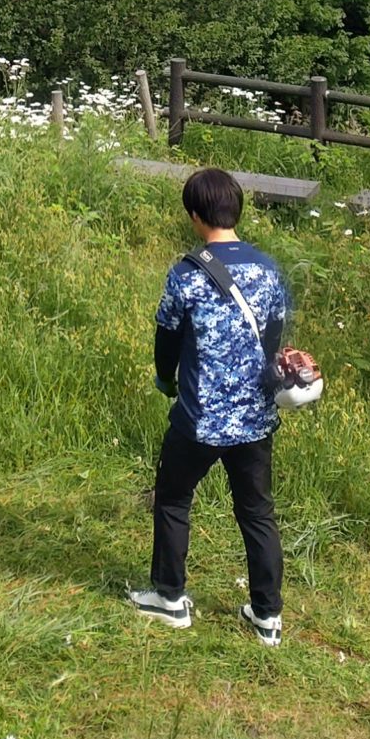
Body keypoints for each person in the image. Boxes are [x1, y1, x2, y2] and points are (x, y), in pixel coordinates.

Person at [128, 166, 294, 646]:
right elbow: (275, 337)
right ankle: (266, 615)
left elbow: (167, 336)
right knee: (257, 512)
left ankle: (169, 598)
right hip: (256, 419)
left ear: (196, 216)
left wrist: (165, 379)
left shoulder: (186, 274)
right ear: (236, 210)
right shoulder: (269, 269)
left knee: (175, 499)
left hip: (199, 419)